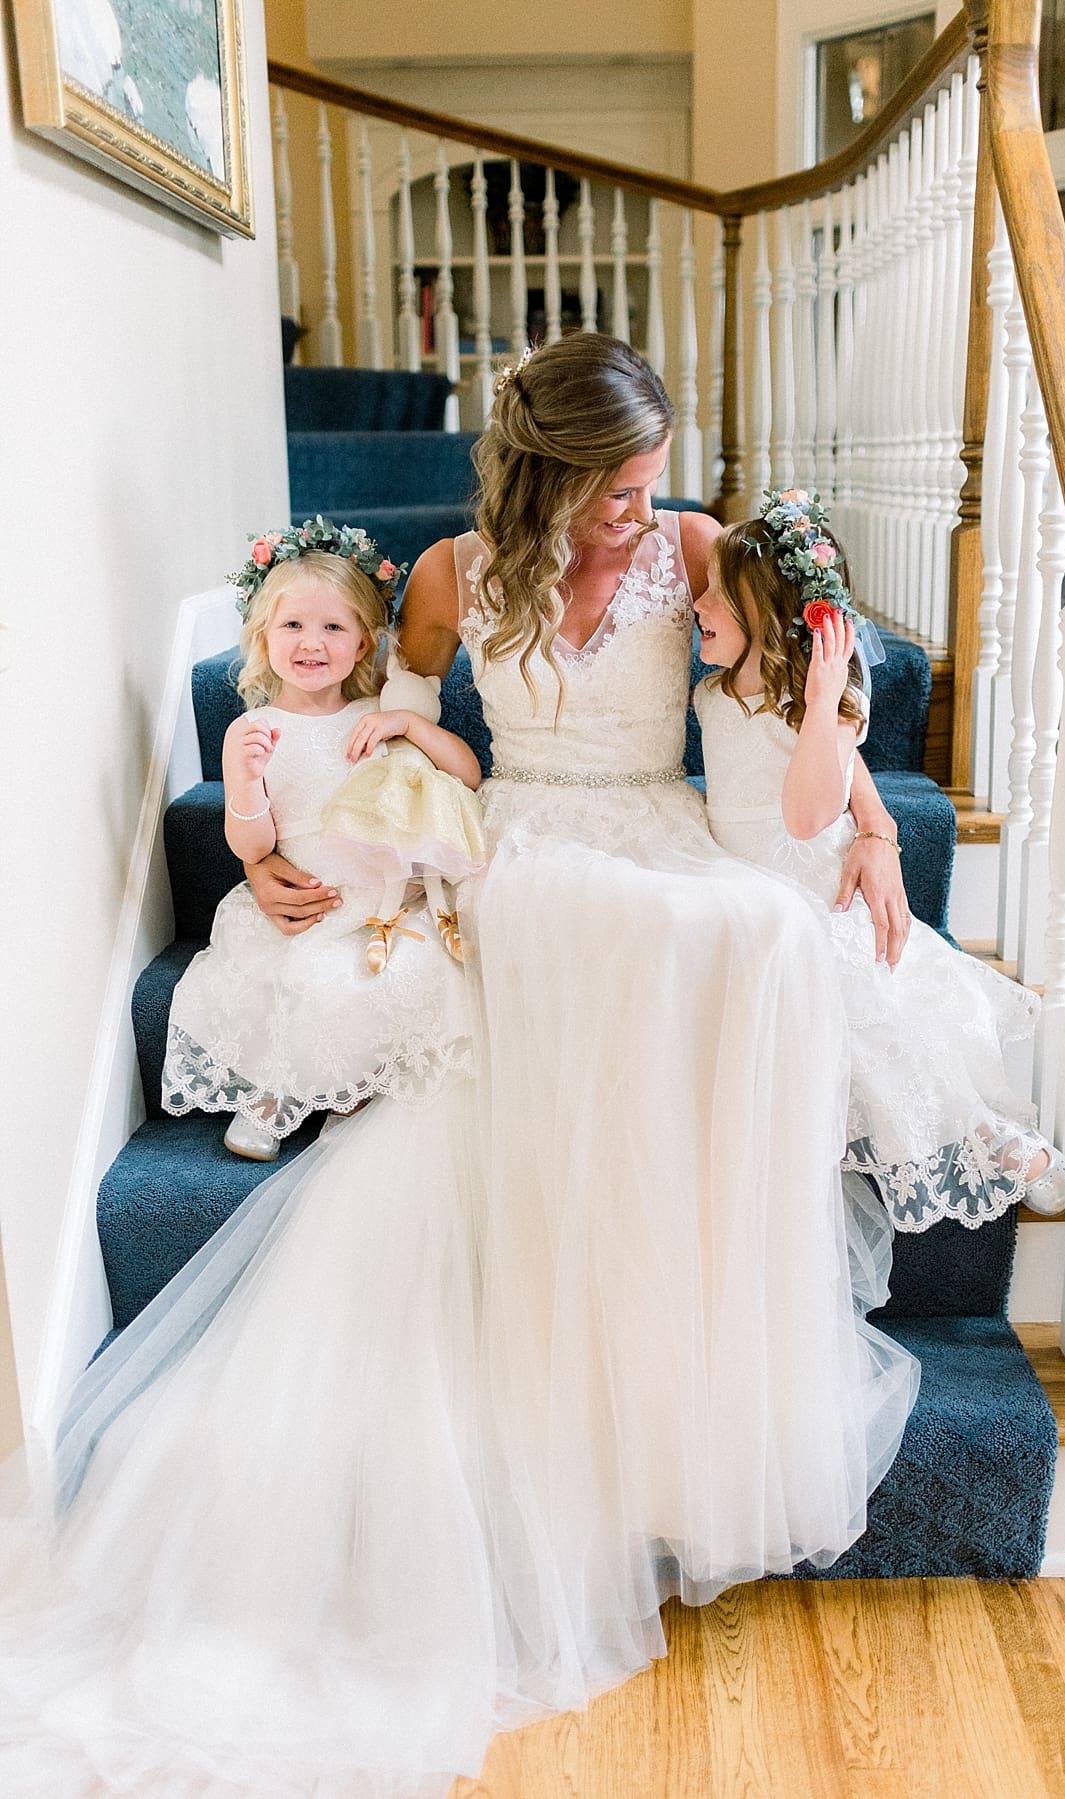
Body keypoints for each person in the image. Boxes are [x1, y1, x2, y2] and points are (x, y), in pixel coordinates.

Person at [0, 340, 918, 1795]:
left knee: (749, 929)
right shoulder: (451, 576)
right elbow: (381, 738)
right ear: (548, 474)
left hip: (660, 816)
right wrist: (295, 843)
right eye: (615, 485)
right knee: (583, 918)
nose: (644, 503)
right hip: (526, 834)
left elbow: (789, 686)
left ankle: (694, 1285)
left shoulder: (691, 549)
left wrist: (867, 824)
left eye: (651, 476)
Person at [693, 492, 1065, 1228]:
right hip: (749, 889)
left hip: (816, 892)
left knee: (876, 1030)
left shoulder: (825, 708)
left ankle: (986, 1134)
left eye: (718, 592)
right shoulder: (715, 692)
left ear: (768, 620)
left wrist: (821, 700)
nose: (698, 601)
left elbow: (808, 815)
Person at [162, 523, 483, 1161]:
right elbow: (250, 845)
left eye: (334, 628)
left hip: (380, 905)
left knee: (391, 978)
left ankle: (345, 1084)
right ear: (261, 638)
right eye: (293, 627)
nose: (313, 643)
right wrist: (248, 781)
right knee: (303, 975)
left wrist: (411, 724)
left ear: (365, 639)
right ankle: (276, 1093)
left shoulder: (375, 718)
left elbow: (468, 775)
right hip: (311, 905)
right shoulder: (253, 729)